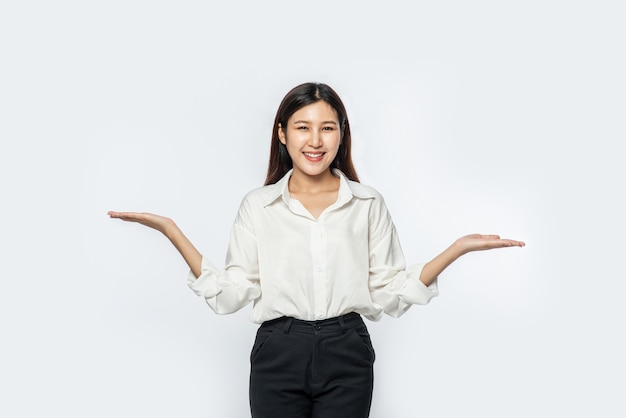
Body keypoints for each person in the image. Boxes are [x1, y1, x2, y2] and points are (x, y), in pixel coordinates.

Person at [108, 82, 525, 418]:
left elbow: (387, 292)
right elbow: (232, 293)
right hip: (278, 350)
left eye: (327, 127)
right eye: (303, 126)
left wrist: (455, 250)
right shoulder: (259, 205)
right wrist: (171, 230)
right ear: (283, 133)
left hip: (348, 348)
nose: (315, 139)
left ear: (341, 133)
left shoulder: (367, 203)